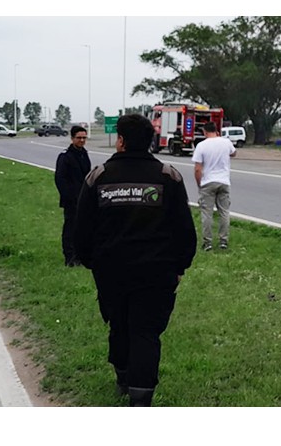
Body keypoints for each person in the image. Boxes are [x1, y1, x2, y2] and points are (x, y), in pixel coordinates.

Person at [74, 114, 197, 406]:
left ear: (121, 141)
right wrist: (180, 266)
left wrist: (93, 263)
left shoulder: (98, 177)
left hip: (111, 273)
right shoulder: (168, 177)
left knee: (119, 325)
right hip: (157, 274)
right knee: (145, 332)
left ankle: (123, 376)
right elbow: (184, 230)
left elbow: (81, 230)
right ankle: (141, 397)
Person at [192, 122, 236, 251]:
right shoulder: (226, 142)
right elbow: (234, 153)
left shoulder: (201, 146)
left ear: (205, 132)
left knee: (207, 213)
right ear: (217, 131)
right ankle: (223, 240)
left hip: (208, 182)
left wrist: (199, 185)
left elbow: (197, 170)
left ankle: (208, 243)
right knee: (224, 212)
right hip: (224, 182)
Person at [54, 125, 91, 266]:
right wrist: (69, 196)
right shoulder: (65, 156)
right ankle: (69, 257)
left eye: (84, 138)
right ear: (72, 138)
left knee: (82, 229)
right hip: (71, 200)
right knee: (70, 228)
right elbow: (60, 178)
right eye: (79, 138)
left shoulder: (84, 154)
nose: (82, 140)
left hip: (83, 199)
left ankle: (80, 256)